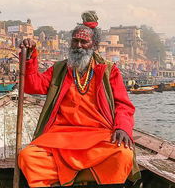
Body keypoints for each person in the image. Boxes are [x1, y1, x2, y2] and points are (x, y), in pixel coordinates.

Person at [18, 11, 139, 187]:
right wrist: (29, 57)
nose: (79, 46)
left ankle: (68, 177)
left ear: (94, 45)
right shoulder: (59, 69)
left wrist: (122, 128)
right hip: (60, 136)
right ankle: (86, 176)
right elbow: (32, 86)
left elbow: (124, 105)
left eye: (84, 42)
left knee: (124, 154)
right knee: (28, 157)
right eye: (75, 41)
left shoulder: (108, 71)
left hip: (98, 136)